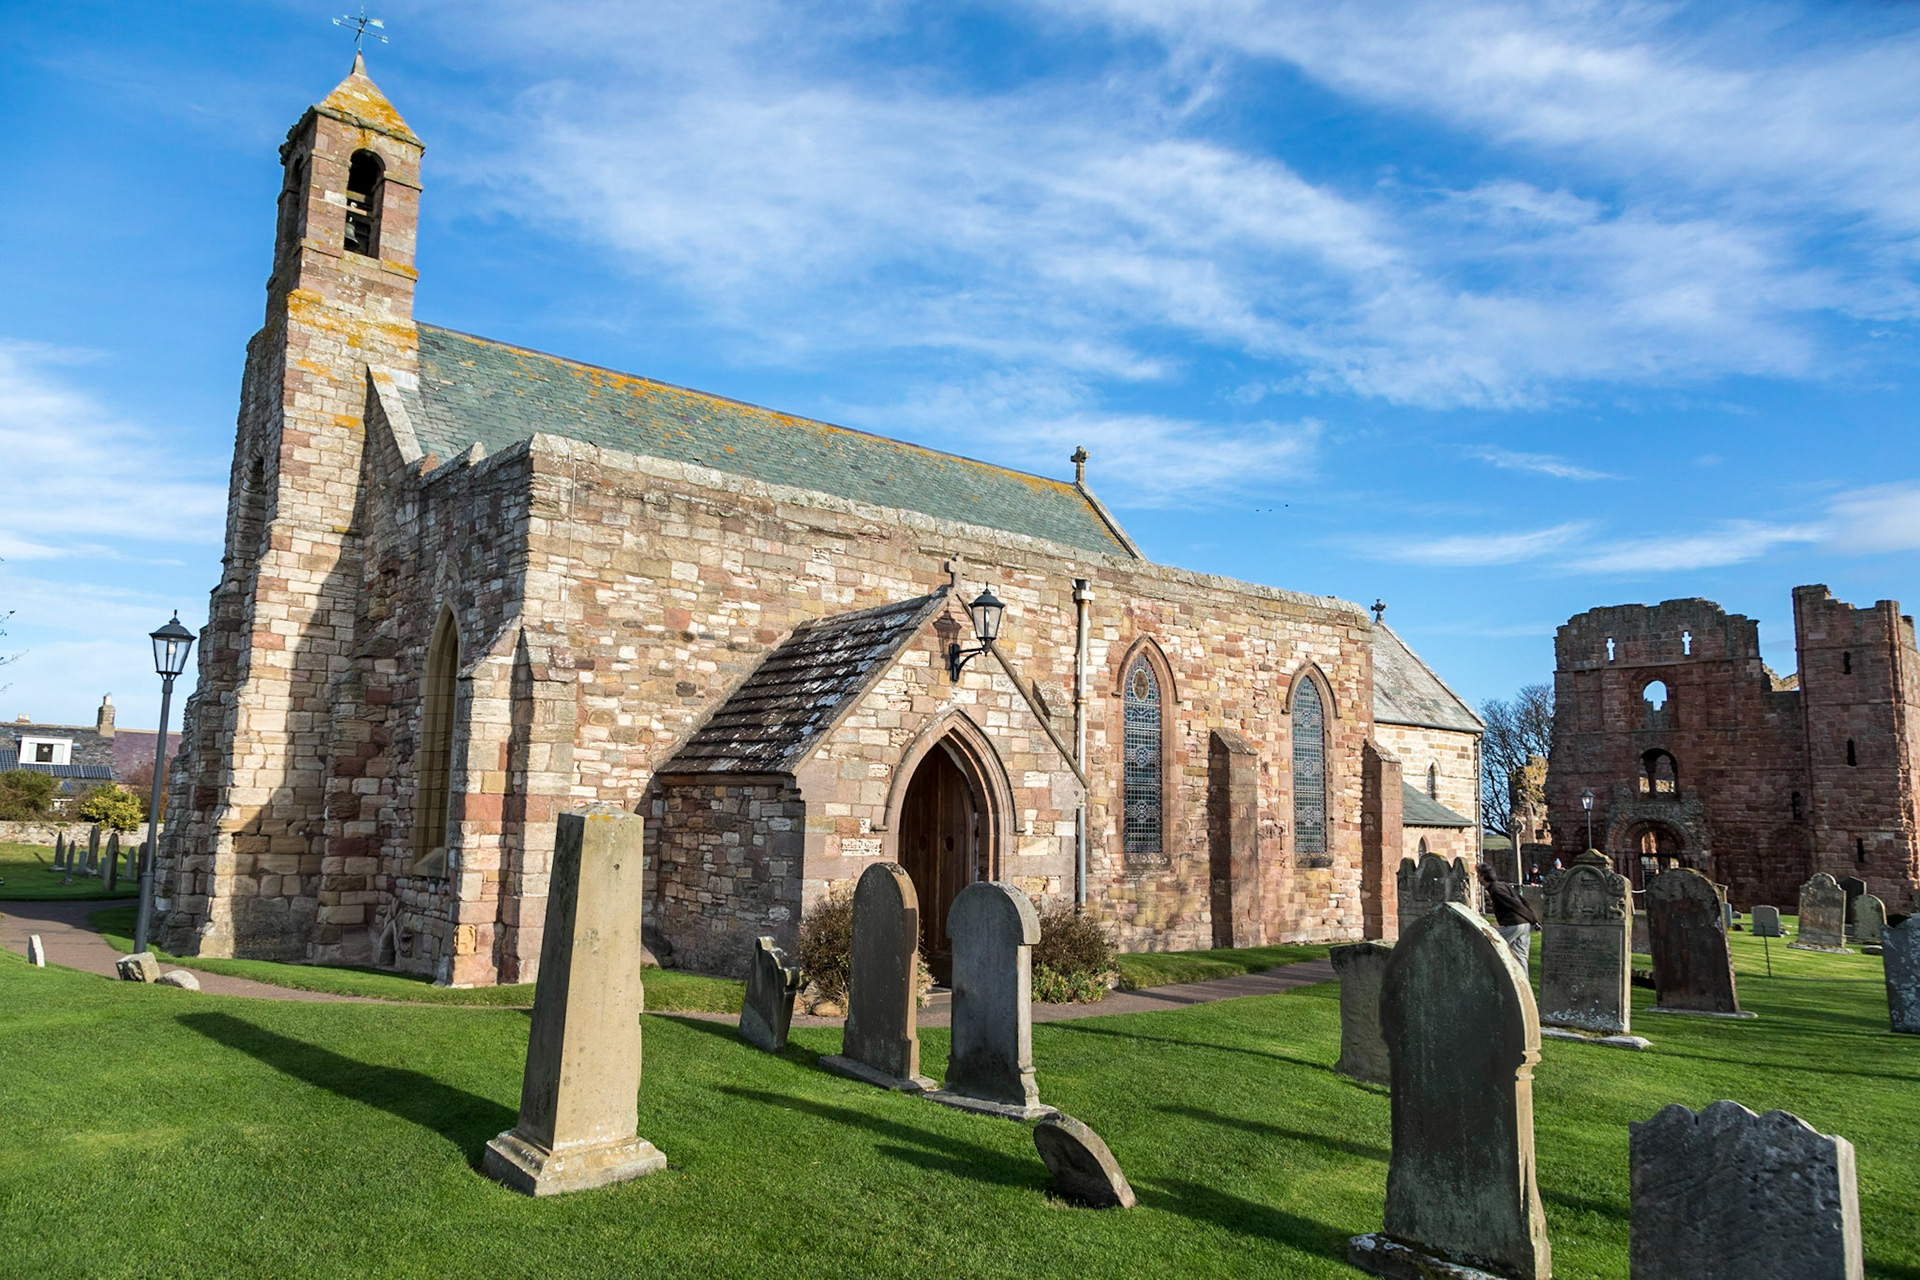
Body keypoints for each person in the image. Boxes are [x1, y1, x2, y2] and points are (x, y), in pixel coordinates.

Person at [1477, 862, 1541, 970]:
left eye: (1478, 875)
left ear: (1483, 877)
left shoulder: (1496, 890)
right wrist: (1532, 920)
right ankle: (1524, 985)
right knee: (1520, 957)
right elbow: (1522, 900)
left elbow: (1516, 905)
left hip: (1514, 925)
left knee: (1488, 944)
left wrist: (1534, 920)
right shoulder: (1503, 884)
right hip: (1524, 925)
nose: (1477, 878)